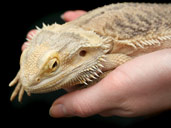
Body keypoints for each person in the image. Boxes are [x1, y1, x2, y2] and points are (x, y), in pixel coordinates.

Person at [22, 10, 171, 118]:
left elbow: (124, 61)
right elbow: (35, 47)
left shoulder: (100, 56)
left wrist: (98, 78)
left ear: (83, 53)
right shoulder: (52, 37)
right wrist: (27, 70)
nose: (26, 81)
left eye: (54, 66)